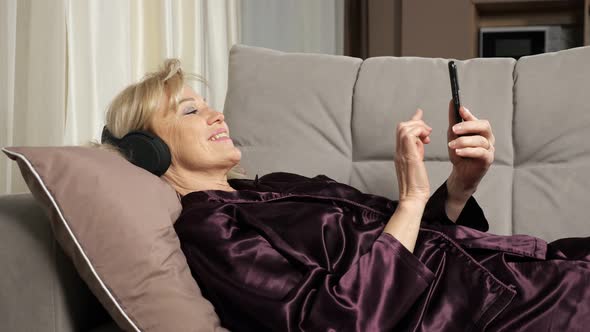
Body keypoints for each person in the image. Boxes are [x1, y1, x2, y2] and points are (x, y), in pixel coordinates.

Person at [100, 59, 590, 331]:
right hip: (487, 314)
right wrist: (411, 198)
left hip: (516, 269)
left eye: (210, 106)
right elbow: (341, 320)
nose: (217, 116)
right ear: (148, 151)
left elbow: (414, 244)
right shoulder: (208, 229)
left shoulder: (275, 186)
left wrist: (461, 184)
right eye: (190, 111)